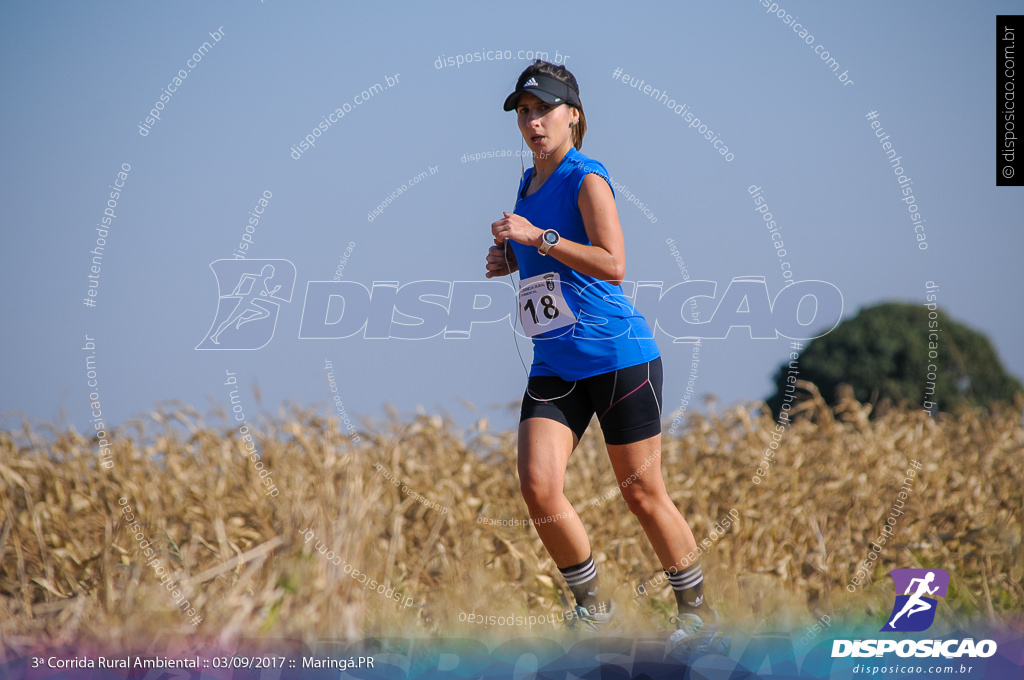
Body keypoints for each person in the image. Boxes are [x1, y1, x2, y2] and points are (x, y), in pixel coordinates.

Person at [484, 60, 726, 652]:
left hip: (618, 359)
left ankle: (698, 614)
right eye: (524, 112)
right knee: (539, 488)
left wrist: (535, 239)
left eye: (543, 110)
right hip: (555, 362)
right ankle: (595, 610)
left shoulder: (587, 176)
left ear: (573, 115)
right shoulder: (529, 182)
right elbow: (554, 255)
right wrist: (513, 260)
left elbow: (614, 264)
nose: (533, 122)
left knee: (642, 495)